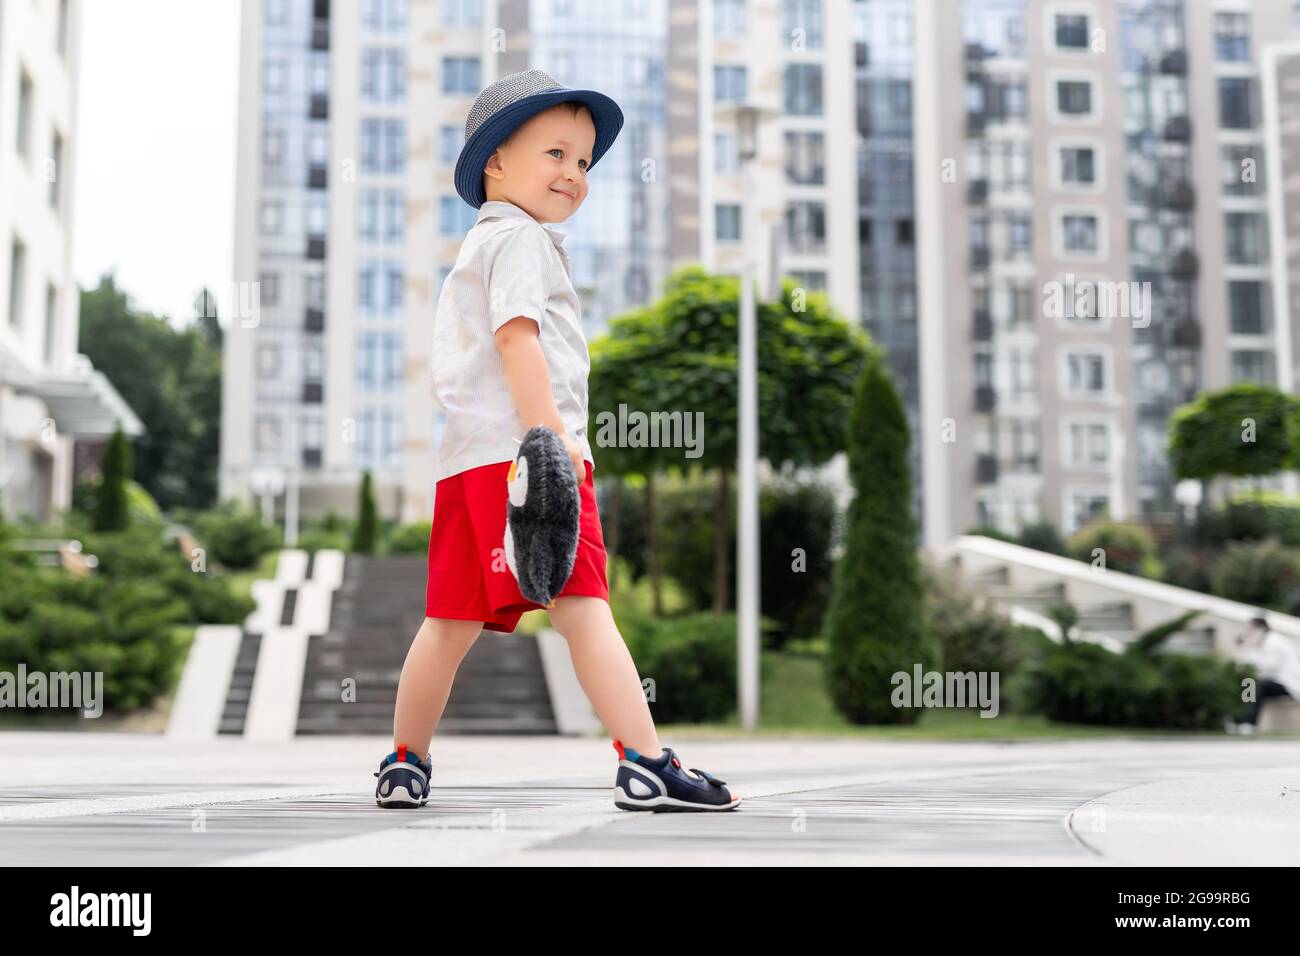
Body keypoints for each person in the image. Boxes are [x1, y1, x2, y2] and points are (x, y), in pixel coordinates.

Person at [374, 70, 740, 812]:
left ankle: (405, 761)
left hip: (468, 463)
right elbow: (518, 341)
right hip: (529, 458)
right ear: (494, 166)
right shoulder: (520, 242)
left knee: (447, 622)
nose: (573, 173)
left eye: (582, 161)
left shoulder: (486, 244)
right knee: (585, 604)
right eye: (556, 153)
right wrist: (551, 440)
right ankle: (645, 760)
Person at [1227, 614, 1300, 734]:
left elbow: (1267, 668)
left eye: (1250, 630)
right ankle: (1238, 721)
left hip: (1288, 683)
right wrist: (1244, 648)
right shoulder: (1263, 642)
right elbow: (1245, 664)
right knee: (1246, 684)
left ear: (1260, 629)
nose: (1248, 633)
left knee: (1253, 685)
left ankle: (1248, 723)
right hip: (1273, 681)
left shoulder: (1275, 642)